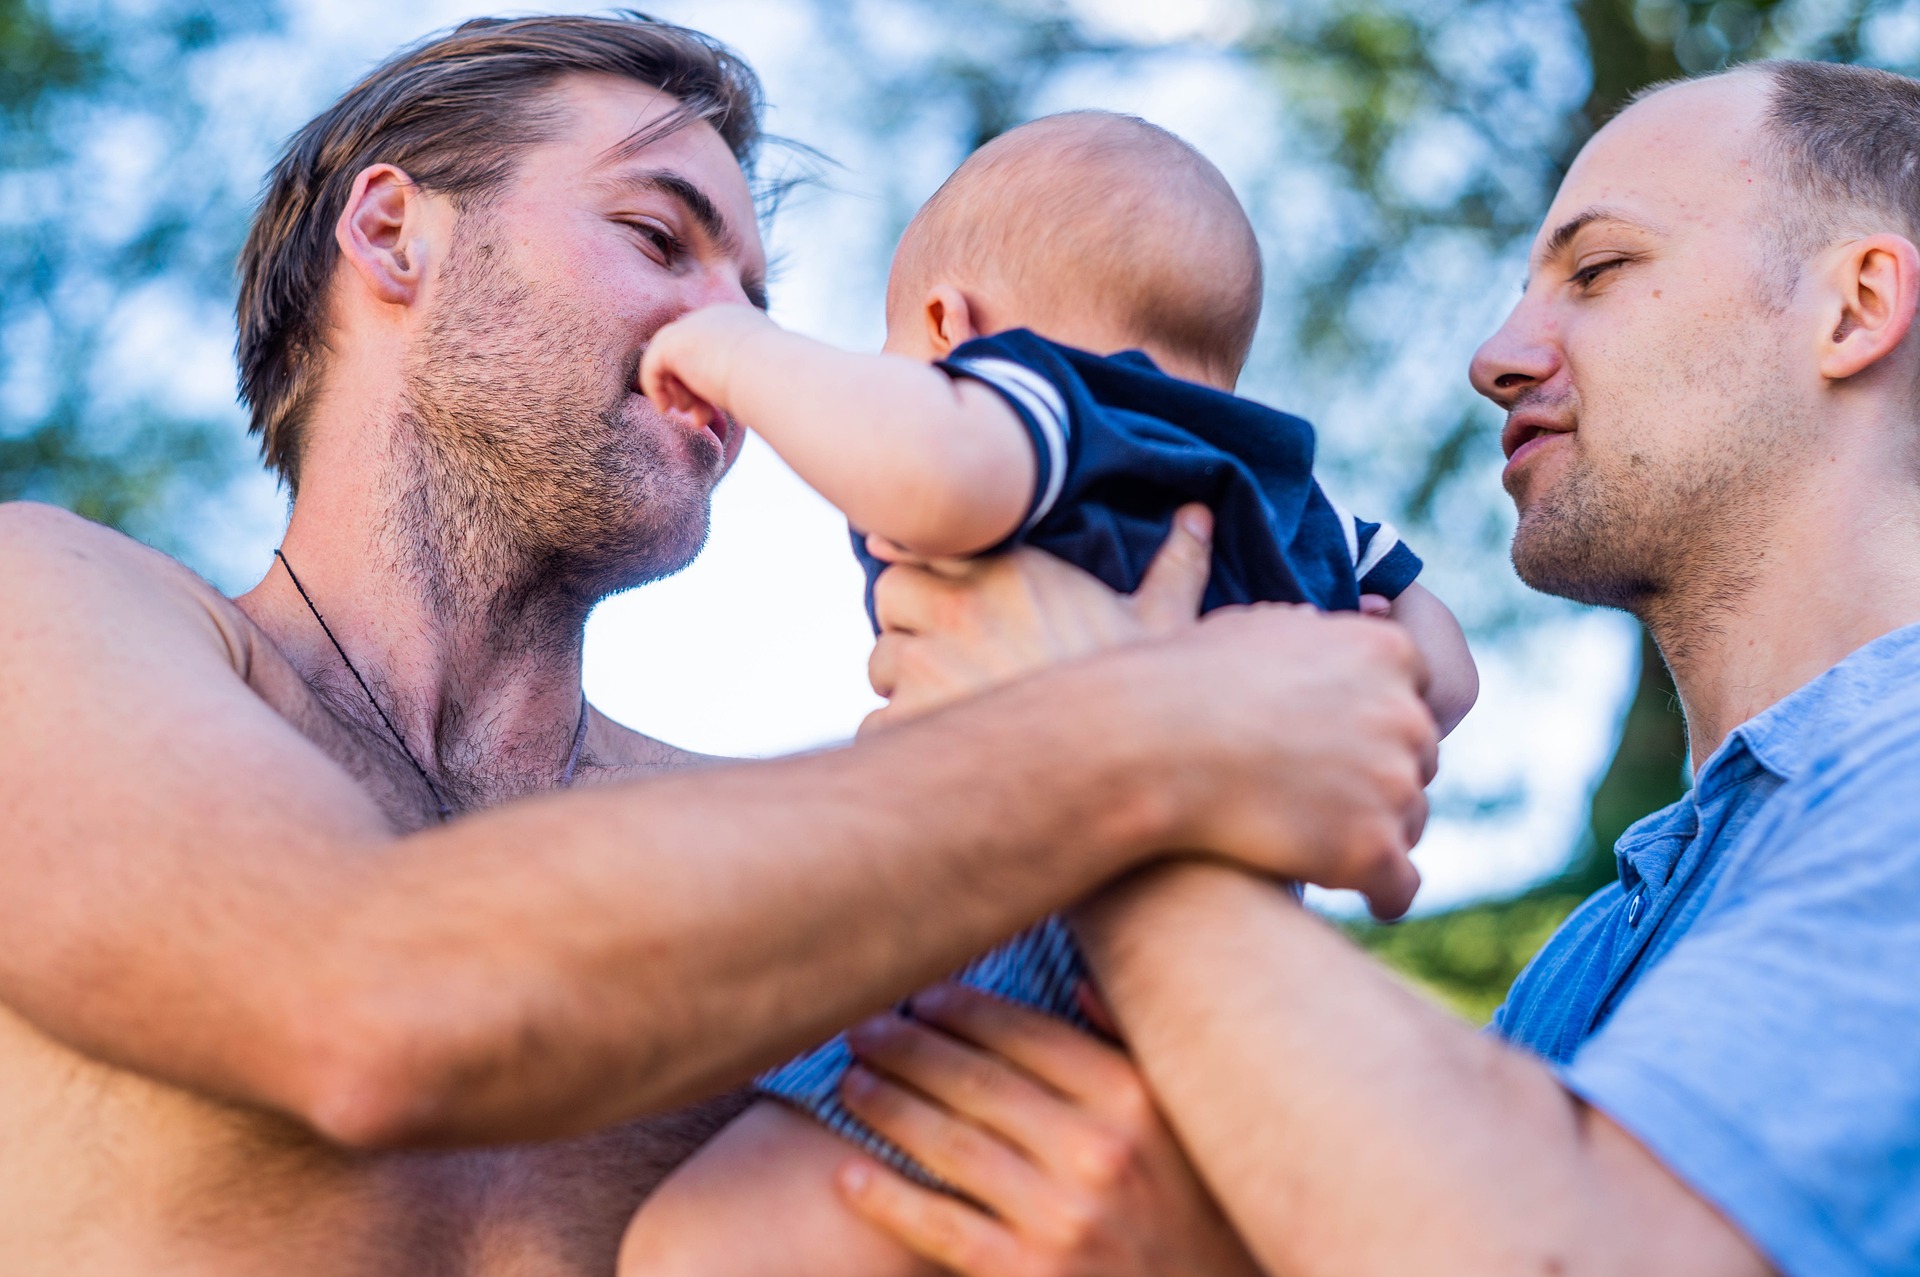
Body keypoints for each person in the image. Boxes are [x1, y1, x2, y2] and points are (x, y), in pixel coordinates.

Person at [0, 13, 1439, 1275]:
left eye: (757, 304)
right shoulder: (52, 599)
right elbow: (364, 1001)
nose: (735, 347)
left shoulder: (854, 866)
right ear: (391, 233)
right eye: (658, 238)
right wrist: (1153, 727)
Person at [780, 60, 1920, 1277]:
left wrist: (1104, 753)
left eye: (1596, 270)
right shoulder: (1587, 958)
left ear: (1854, 309)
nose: (1495, 356)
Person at [618, 109, 1476, 1275]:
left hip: (1034, 914)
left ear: (947, 325)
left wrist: (731, 347)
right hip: (1233, 985)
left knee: (702, 1244)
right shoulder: (1299, 502)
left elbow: (931, 471)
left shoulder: (1059, 404)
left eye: (892, 359)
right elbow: (1446, 671)